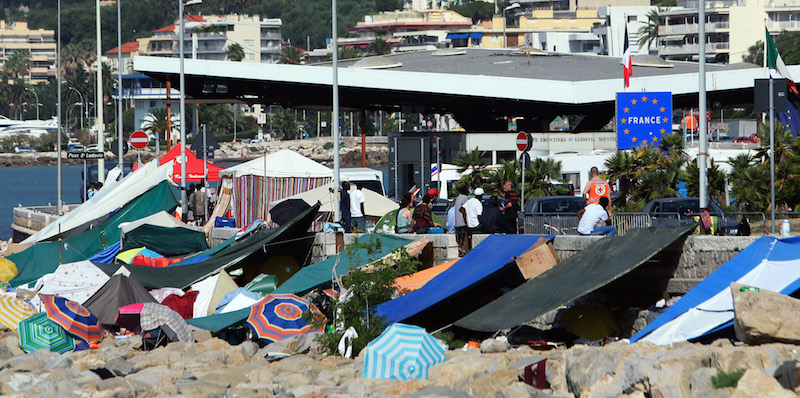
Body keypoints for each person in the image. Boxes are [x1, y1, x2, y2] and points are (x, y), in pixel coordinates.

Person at [460, 188, 484, 253]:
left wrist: (466, 218)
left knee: (470, 242)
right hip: (476, 225)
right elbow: (479, 216)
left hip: (469, 225)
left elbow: (461, 209)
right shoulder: (478, 203)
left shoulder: (470, 201)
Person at [453, 185, 470, 256]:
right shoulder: (464, 198)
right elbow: (464, 209)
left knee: (459, 238)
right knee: (465, 237)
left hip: (457, 222)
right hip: (463, 222)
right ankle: (464, 250)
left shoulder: (458, 198)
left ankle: (460, 249)